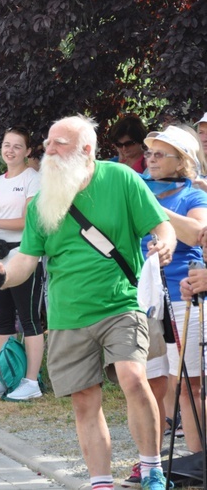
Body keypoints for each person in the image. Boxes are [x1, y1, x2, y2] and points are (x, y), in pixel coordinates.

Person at [0, 115, 176, 490]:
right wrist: (1, 274)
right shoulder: (42, 202)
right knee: (85, 401)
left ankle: (151, 470)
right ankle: (100, 482)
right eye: (48, 143)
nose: (49, 150)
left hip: (121, 304)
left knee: (133, 379)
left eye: (60, 143)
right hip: (67, 314)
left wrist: (165, 242)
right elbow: (25, 260)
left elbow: (161, 223)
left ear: (87, 149)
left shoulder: (121, 179)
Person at [141, 126, 207, 455]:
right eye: (148, 153)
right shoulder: (138, 186)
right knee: (148, 385)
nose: (150, 159)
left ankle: (196, 461)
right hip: (144, 297)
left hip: (184, 293)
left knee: (189, 385)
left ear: (180, 161)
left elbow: (198, 233)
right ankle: (151, 461)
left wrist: (154, 209)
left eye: (158, 154)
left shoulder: (193, 194)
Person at [0, 126, 43, 401]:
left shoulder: (33, 179)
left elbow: (28, 221)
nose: (10, 150)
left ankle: (31, 381)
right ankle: (6, 376)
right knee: (2, 321)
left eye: (17, 146)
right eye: (6, 145)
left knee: (28, 319)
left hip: (24, 255)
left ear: (27, 151)